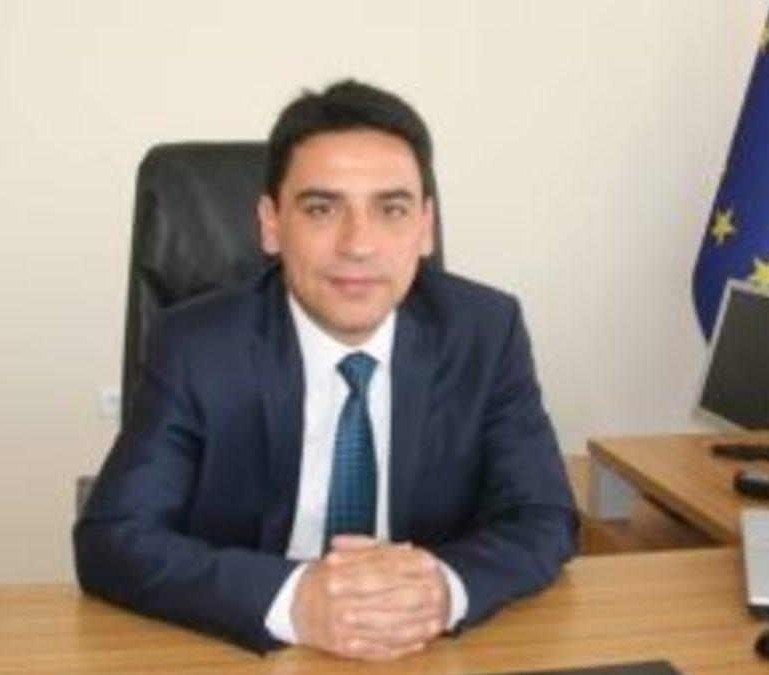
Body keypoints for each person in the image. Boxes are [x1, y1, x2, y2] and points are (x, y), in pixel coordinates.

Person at [73, 80, 578, 661]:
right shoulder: (197, 346)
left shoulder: (485, 333)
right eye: (321, 209)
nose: (358, 244)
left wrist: (440, 589)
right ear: (271, 223)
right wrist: (295, 600)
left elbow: (543, 516)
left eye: (391, 210)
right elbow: (113, 536)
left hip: (422, 653)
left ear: (425, 227)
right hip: (244, 653)